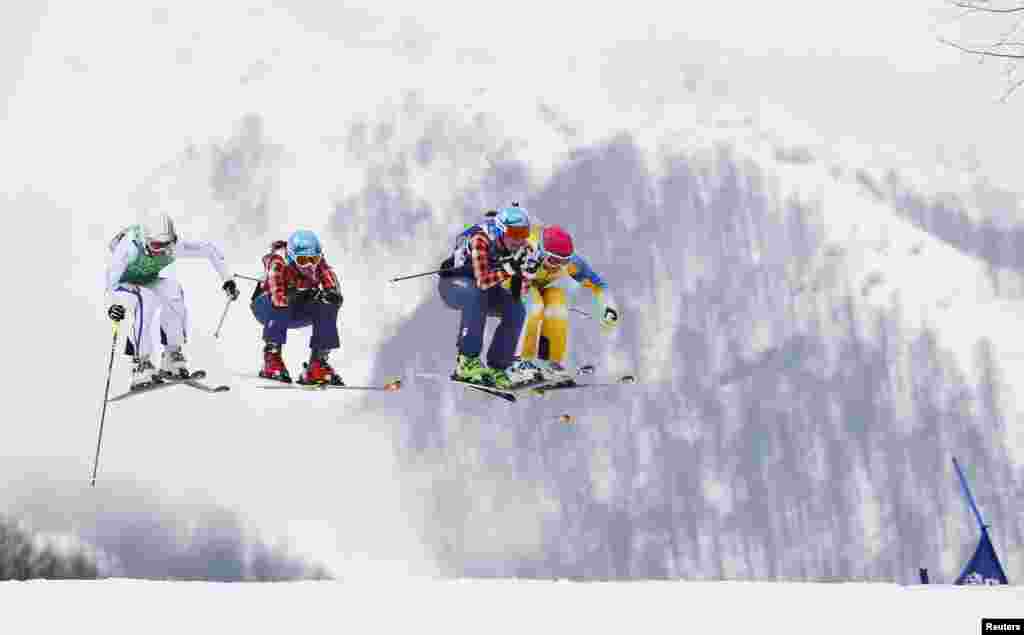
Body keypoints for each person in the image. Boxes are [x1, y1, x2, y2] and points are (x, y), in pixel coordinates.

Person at [105, 211, 239, 389]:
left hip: (146, 280)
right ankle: (140, 364)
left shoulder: (172, 248)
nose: (162, 250)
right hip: (124, 284)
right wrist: (114, 305)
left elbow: (209, 250)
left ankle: (171, 355)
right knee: (146, 298)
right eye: (156, 245)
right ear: (145, 240)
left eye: (167, 244)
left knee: (173, 290)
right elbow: (111, 281)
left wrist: (227, 279)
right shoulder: (129, 247)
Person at [438, 203, 541, 389]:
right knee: (476, 294)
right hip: (454, 284)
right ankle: (467, 361)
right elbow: (483, 281)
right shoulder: (481, 239)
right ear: (501, 231)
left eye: (524, 233)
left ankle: (498, 367)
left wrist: (528, 273)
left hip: (484, 289)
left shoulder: (525, 249)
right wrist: (509, 269)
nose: (519, 239)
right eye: (514, 233)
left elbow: (519, 291)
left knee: (516, 308)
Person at [509, 223, 620, 385]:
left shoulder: (572, 263)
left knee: (557, 304)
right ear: (541, 251)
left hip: (538, 285)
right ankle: (518, 362)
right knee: (534, 304)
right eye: (554, 260)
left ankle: (549, 362)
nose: (559, 266)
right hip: (511, 283)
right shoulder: (525, 247)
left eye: (564, 261)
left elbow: (598, 284)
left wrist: (608, 307)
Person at [251, 229, 344, 385]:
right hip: (266, 307)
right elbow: (277, 295)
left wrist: (331, 295)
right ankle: (272, 357)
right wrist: (295, 293)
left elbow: (330, 283)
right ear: (292, 256)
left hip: (295, 309)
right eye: (302, 260)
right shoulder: (279, 261)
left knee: (327, 302)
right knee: (283, 299)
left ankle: (318, 363)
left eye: (313, 259)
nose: (309, 265)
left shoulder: (318, 262)